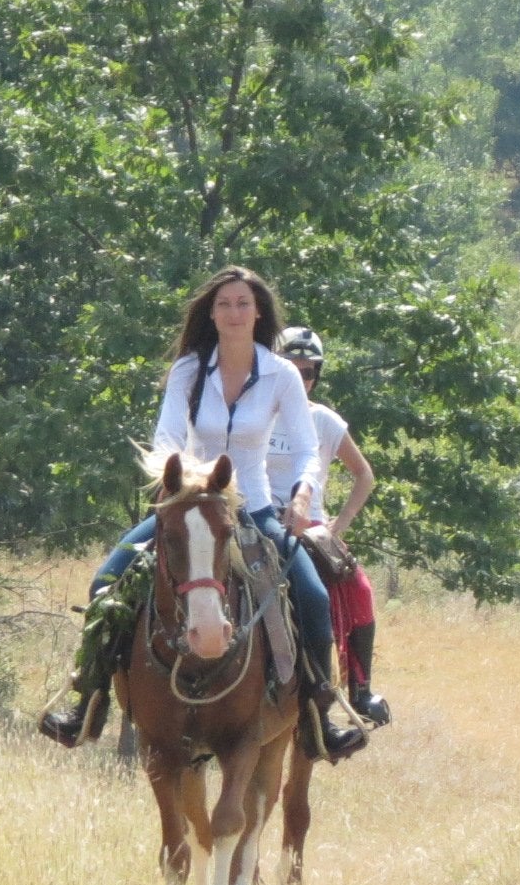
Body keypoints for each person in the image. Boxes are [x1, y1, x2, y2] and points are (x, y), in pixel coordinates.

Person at [37, 268, 368, 760]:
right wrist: (184, 479)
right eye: (224, 304)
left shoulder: (280, 375)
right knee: (106, 579)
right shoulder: (189, 371)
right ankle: (90, 700)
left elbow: (305, 450)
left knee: (315, 597)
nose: (234, 313)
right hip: (192, 502)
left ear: (259, 313)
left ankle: (321, 715)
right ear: (211, 314)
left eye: (243, 304)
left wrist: (301, 496)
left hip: (253, 506)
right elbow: (167, 437)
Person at [269, 327, 390, 725]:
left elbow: (364, 475)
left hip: (311, 526)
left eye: (309, 372)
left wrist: (340, 524)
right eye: (293, 369)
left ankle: (360, 689)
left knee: (359, 590)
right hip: (256, 518)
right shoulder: (255, 414)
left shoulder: (323, 420)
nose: (302, 379)